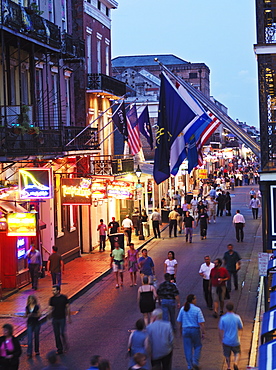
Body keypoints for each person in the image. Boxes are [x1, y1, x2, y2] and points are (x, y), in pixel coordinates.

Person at [177, 294, 205, 370]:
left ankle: (189, 365)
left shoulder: (183, 309)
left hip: (185, 330)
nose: (196, 300)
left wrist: (180, 330)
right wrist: (203, 332)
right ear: (192, 300)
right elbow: (201, 323)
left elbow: (179, 321)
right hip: (195, 330)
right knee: (197, 346)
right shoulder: (197, 310)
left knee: (187, 348)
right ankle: (195, 361)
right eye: (195, 298)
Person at [218, 302, 243, 370]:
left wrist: (221, 339)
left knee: (227, 354)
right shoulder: (237, 317)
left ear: (226, 309)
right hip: (235, 339)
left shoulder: (223, 318)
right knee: (237, 352)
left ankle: (229, 366)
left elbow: (220, 329)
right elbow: (241, 327)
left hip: (226, 340)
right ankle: (235, 363)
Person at [48, 284, 71, 355]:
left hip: (62, 318)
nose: (53, 292)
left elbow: (67, 307)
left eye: (54, 290)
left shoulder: (64, 298)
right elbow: (50, 309)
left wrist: (69, 317)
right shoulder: (52, 299)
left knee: (62, 333)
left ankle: (64, 344)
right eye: (52, 290)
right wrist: (48, 317)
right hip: (55, 318)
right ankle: (59, 348)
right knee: (56, 334)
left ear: (58, 290)